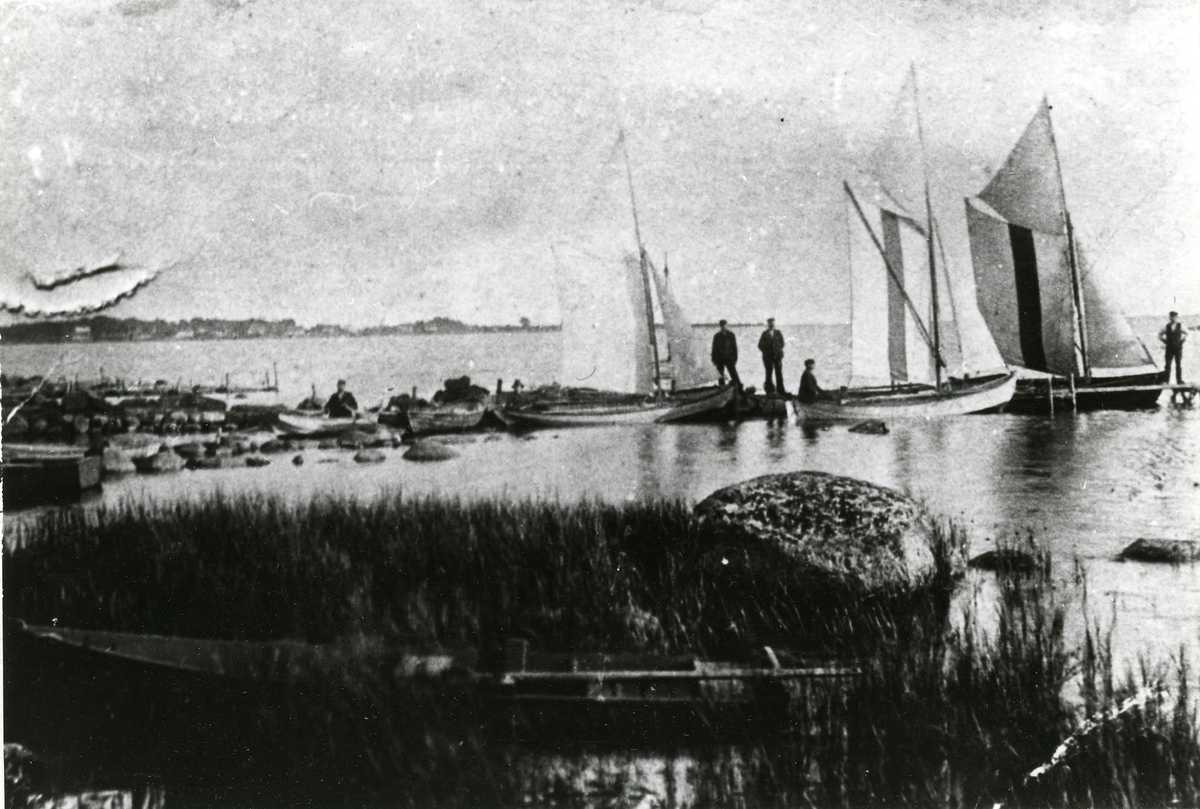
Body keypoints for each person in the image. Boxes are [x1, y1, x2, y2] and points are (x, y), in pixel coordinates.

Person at [757, 317, 785, 395]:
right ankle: (769, 390)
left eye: (773, 323)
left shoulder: (778, 333)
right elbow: (760, 345)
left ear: (774, 324)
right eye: (770, 323)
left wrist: (777, 350)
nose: (772, 325)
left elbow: (782, 343)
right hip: (768, 357)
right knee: (768, 373)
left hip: (777, 356)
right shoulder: (764, 333)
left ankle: (781, 390)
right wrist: (766, 351)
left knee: (779, 373)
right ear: (768, 324)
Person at [711, 320, 741, 389]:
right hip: (719, 359)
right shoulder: (717, 336)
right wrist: (713, 359)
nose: (724, 327)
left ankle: (739, 389)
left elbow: (734, 347)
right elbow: (714, 348)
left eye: (725, 325)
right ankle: (722, 390)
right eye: (722, 326)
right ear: (720, 326)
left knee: (734, 375)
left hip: (729, 358)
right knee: (720, 376)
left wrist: (735, 358)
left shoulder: (731, 335)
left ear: (727, 325)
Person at [1159, 311, 1187, 384]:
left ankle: (1179, 380)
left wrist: (1182, 340)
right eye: (1171, 317)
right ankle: (1166, 380)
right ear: (1169, 317)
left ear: (1177, 317)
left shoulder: (1180, 326)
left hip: (1178, 348)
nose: (1173, 318)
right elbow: (1160, 335)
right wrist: (1165, 341)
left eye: (1175, 317)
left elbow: (1187, 334)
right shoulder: (1167, 326)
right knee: (1168, 364)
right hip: (1169, 349)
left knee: (1178, 364)